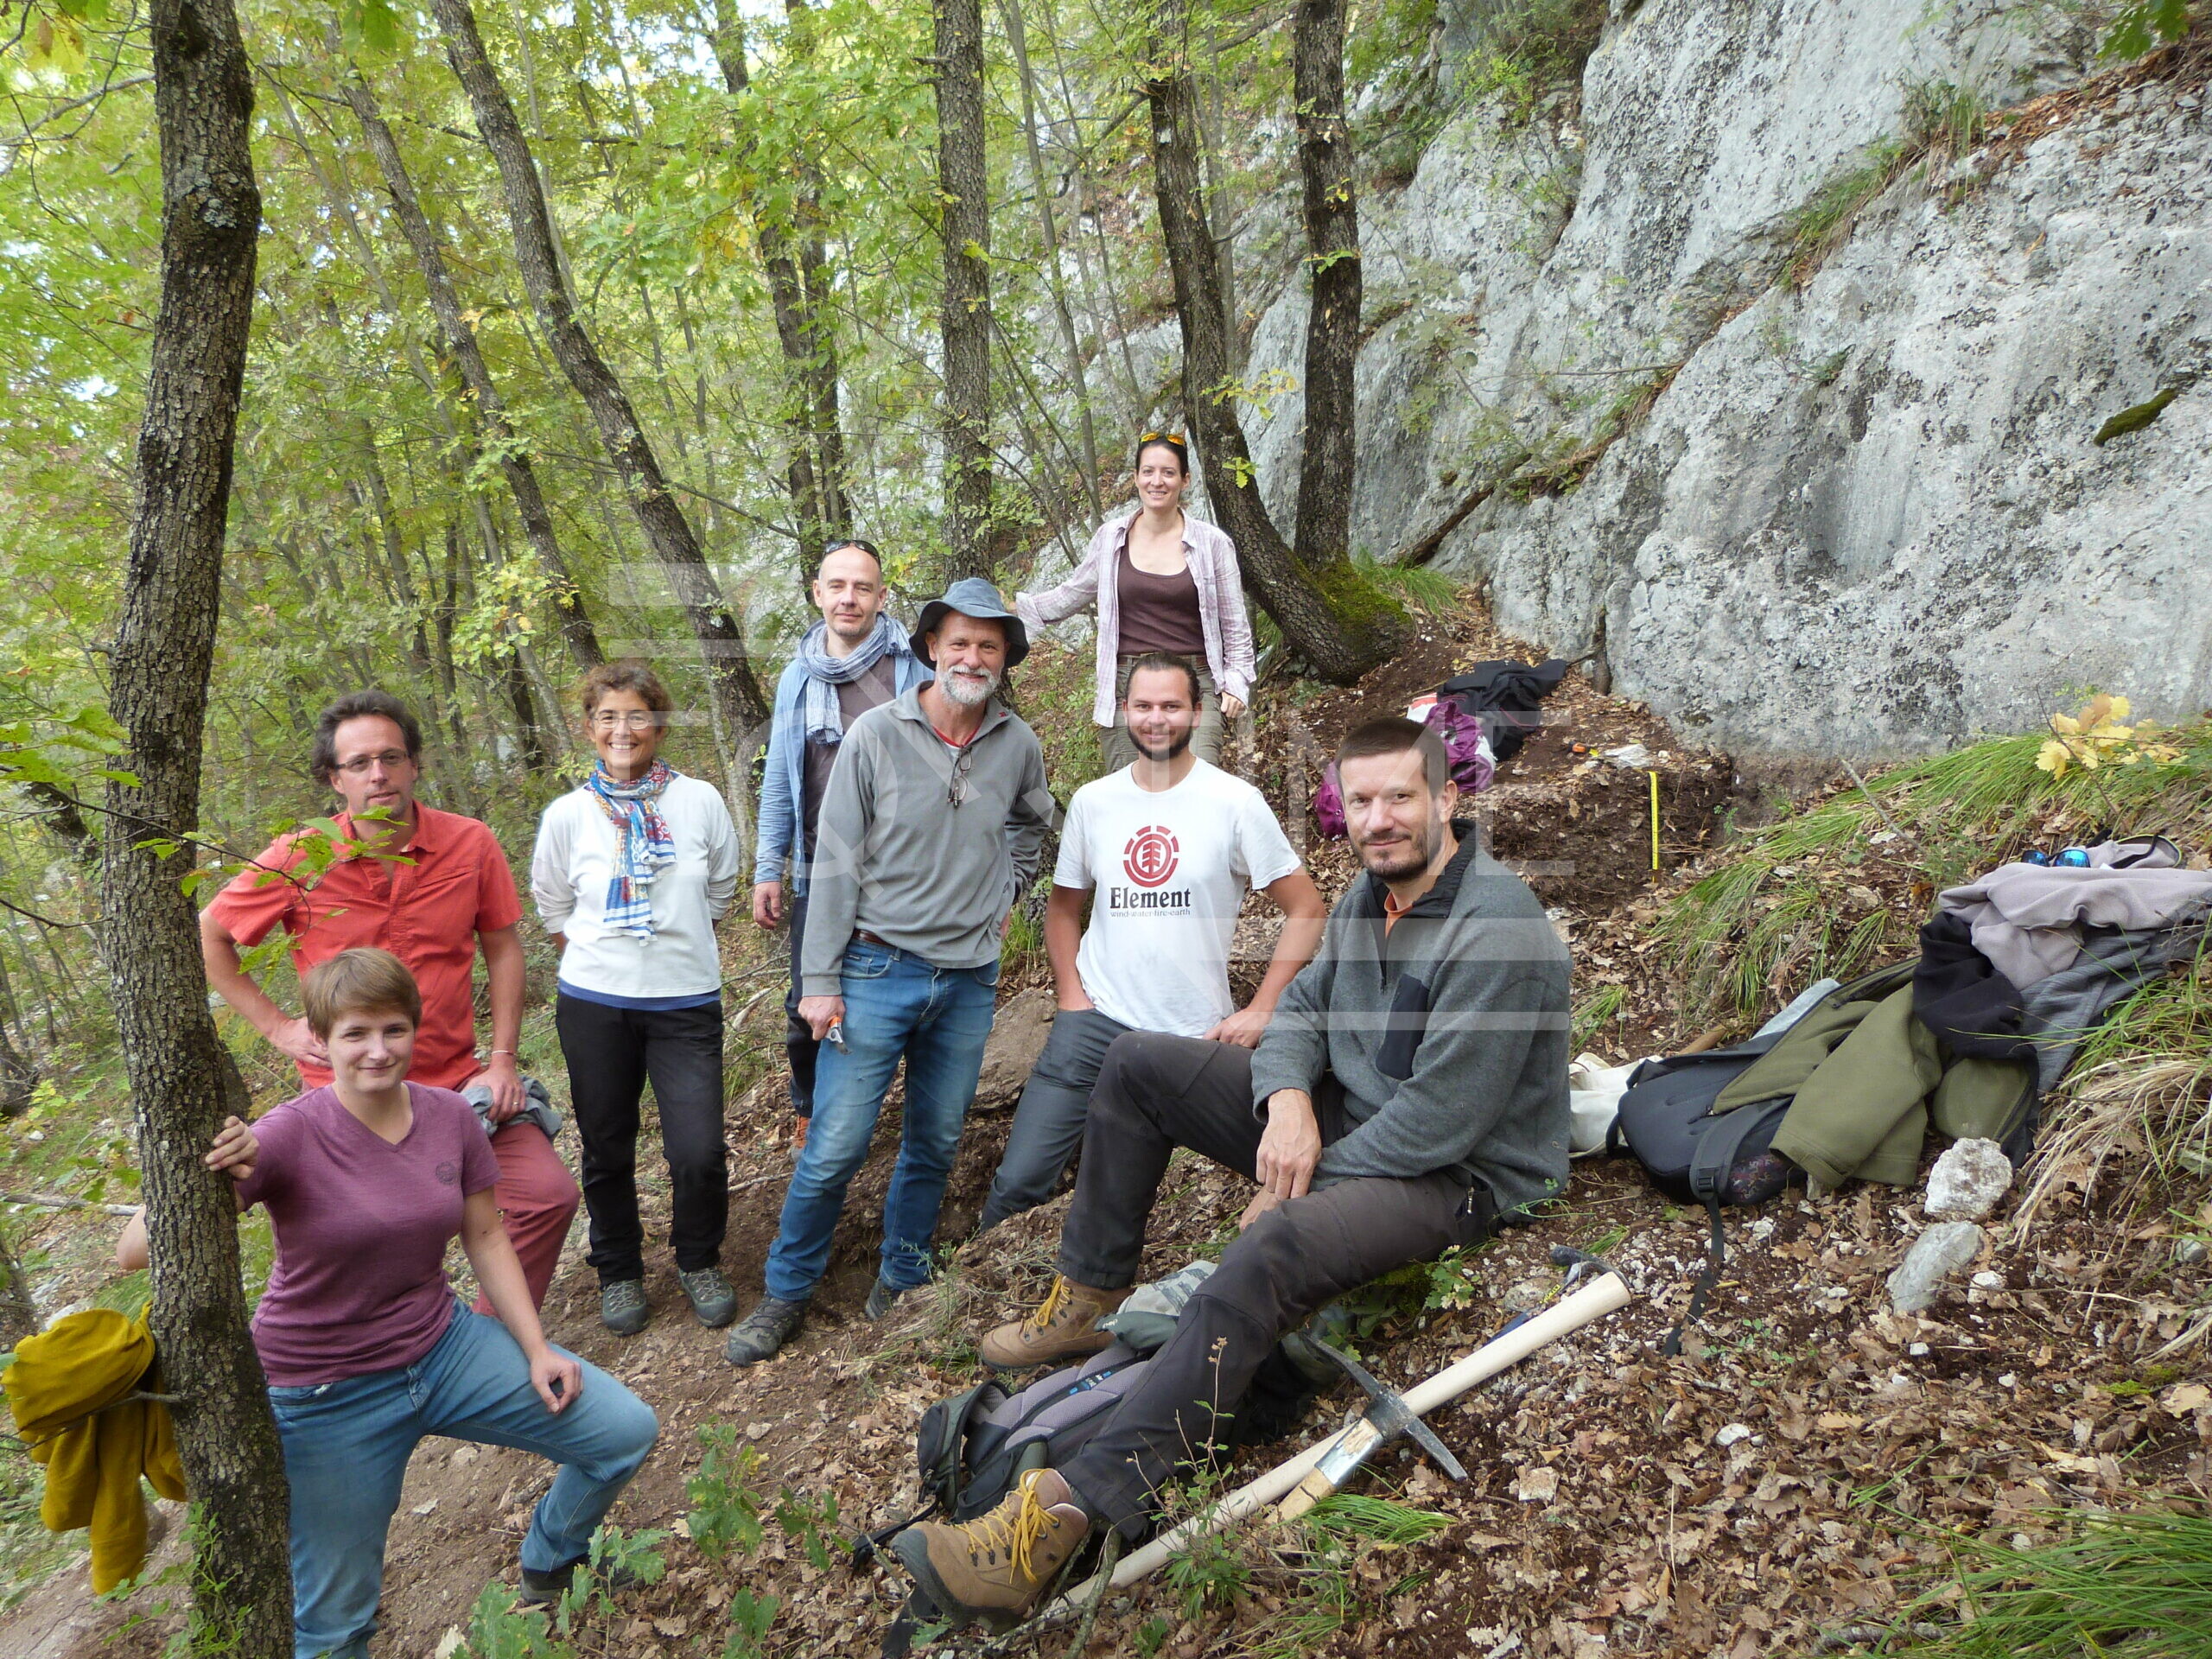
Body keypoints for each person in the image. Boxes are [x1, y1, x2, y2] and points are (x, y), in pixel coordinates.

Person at [890, 717, 1573, 1628]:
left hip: (1461, 1175)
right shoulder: (1373, 897)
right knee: (1138, 1064)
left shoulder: (1497, 929)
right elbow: (1296, 1018)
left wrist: (1297, 1178)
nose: (1379, 820)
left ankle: (1063, 1518)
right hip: (1358, 1121)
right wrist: (1286, 1102)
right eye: (1361, 800)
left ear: (1447, 799)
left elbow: (1441, 1125)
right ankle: (1086, 1301)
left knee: (1277, 1243)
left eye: (1400, 797)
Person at [118, 950, 658, 1659]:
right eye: (355, 1033)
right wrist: (202, 1164)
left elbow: (487, 1235)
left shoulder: (447, 1115)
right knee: (336, 1622)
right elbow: (133, 1250)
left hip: (444, 1347)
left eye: (394, 1030)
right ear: (322, 1038)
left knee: (623, 1432)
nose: (378, 1050)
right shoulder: (287, 1133)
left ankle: (553, 1558)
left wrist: (536, 1349)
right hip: (324, 1392)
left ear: (415, 1030)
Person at [725, 579, 1058, 1366]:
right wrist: (818, 980)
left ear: (1005, 658)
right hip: (874, 968)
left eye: (989, 645)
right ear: (931, 650)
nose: (972, 657)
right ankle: (787, 1291)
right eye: (959, 642)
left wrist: (1006, 889)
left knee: (936, 1140)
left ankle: (903, 1273)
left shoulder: (1018, 744)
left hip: (969, 979)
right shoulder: (876, 734)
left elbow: (1034, 823)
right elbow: (833, 861)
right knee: (836, 1144)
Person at [200, 690, 579, 1309]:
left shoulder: (469, 842)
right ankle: (395, 1352)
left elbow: (503, 947)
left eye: (391, 757)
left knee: (546, 1195)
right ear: (335, 779)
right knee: (368, 1243)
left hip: (458, 1088)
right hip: (344, 1100)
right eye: (359, 764)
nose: (378, 774)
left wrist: (503, 1059)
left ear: (415, 766)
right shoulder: (299, 858)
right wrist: (276, 1028)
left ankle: (492, 1343)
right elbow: (212, 934)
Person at [976, 652, 1326, 1234]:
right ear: (1122, 712)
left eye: (1170, 705)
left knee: (1141, 1199)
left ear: (1196, 711)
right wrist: (1070, 997)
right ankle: (966, 1294)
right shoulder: (1094, 801)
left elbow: (1306, 909)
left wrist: (1264, 1007)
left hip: (1188, 1034)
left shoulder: (1234, 802)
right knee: (1020, 1180)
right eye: (1143, 706)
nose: (1156, 718)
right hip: (1094, 1022)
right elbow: (1064, 910)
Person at [532, 662, 741, 1337]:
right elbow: (553, 907)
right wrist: (605, 963)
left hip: (684, 1002)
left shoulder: (700, 800)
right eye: (608, 717)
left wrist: (672, 948)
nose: (624, 729)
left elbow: (722, 890)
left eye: (637, 715)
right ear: (589, 728)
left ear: (659, 723)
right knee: (607, 1144)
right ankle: (619, 1270)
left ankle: (699, 1257)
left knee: (698, 1150)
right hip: (595, 1003)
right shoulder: (566, 816)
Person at [752, 540, 931, 1152]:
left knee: (908, 996)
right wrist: (766, 868)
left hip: (901, 870)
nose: (849, 597)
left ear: (883, 597)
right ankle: (810, 1106)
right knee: (807, 1004)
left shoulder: (913, 669)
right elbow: (780, 774)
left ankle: (913, 1117)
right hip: (815, 867)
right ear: (818, 593)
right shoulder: (797, 678)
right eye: (837, 586)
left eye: (862, 587)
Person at [1015, 431, 1256, 769]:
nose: (1157, 481)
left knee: (1199, 794)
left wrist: (1235, 684)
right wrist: (1015, 611)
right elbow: (1072, 593)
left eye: (1168, 473)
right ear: (1136, 477)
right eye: (1148, 471)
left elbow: (1236, 627)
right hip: (1127, 686)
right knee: (1130, 798)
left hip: (1194, 684)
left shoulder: (1212, 543)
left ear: (1185, 480)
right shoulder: (1112, 538)